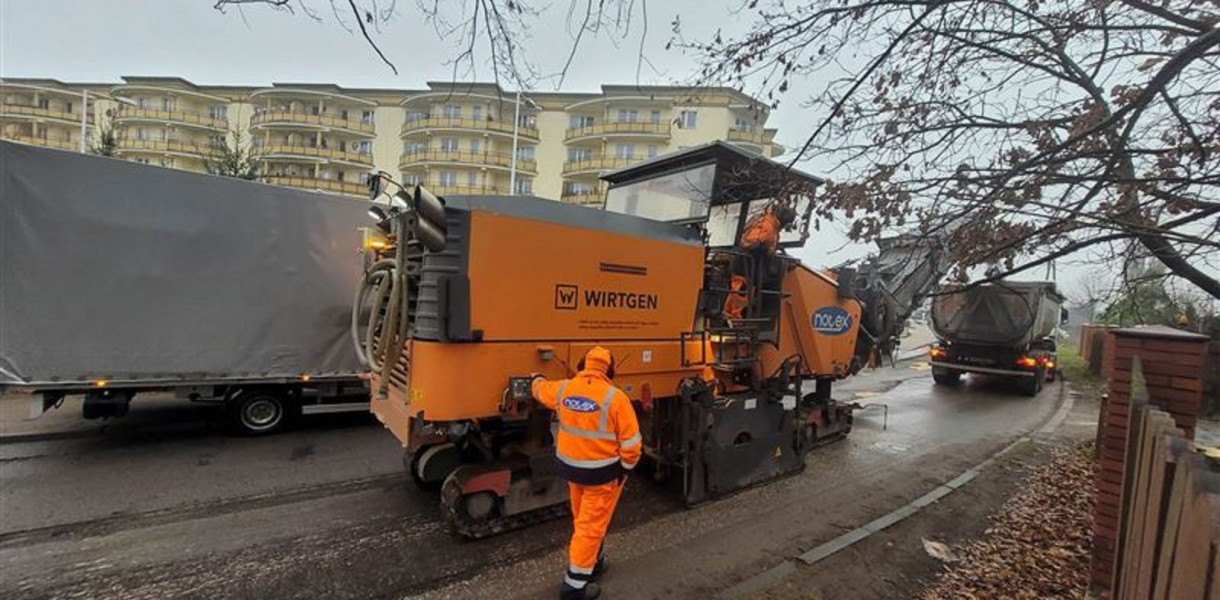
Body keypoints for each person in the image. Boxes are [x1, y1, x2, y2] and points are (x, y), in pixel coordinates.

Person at [532, 347, 641, 600]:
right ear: (609, 370)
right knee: (590, 527)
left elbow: (540, 390)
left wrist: (535, 378)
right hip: (601, 475)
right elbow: (632, 445)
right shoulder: (616, 398)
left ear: (582, 366)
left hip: (571, 470)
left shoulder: (564, 388)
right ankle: (574, 586)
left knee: (583, 518)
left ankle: (595, 560)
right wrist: (624, 469)